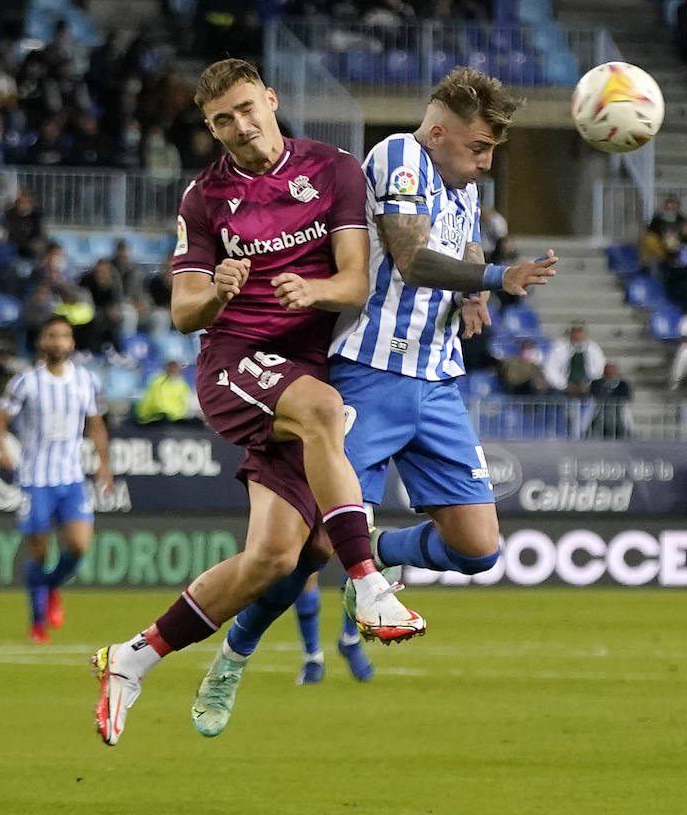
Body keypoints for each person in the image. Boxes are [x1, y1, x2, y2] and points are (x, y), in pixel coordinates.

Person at [182, 65, 556, 738]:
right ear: (439, 133)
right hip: (365, 376)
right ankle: (232, 657)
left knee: (478, 549)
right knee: (302, 552)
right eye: (478, 147)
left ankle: (375, 551)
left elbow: (457, 240)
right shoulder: (397, 157)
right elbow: (411, 259)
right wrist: (496, 277)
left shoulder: (460, 182)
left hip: (437, 383)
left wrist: (470, 286)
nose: (486, 161)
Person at [91, 59, 439, 746]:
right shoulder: (205, 199)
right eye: (222, 119)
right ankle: (369, 582)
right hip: (233, 365)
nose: (239, 127)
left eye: (247, 108)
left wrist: (313, 293)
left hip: (305, 363)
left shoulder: (334, 169)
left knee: (278, 558)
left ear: (271, 100)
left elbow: (355, 282)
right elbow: (184, 309)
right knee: (322, 413)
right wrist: (218, 290)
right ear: (211, 128)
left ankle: (131, 658)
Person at [0, 316, 113, 643]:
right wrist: (2, 449)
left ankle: (51, 586)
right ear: (42, 342)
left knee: (79, 546)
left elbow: (96, 425)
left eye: (64, 336)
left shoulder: (85, 380)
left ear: (71, 343)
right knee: (39, 553)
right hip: (35, 479)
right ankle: (37, 621)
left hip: (71, 478)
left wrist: (103, 465)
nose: (58, 341)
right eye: (52, 335)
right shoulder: (26, 382)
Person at [544, 322, 605, 395]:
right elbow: (550, 369)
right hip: (562, 388)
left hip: (588, 387)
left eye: (580, 335)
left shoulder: (594, 349)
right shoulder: (558, 348)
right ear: (570, 335)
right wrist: (564, 386)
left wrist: (587, 385)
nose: (578, 338)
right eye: (575, 334)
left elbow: (599, 368)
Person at [133, 359, 199, 424]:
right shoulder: (158, 382)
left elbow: (184, 405)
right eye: (172, 368)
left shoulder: (182, 385)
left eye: (176, 369)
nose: (174, 371)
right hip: (152, 416)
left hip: (171, 418)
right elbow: (158, 404)